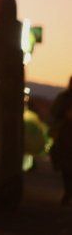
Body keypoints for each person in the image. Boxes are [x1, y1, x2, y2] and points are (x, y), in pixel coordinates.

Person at [51, 75, 72, 206]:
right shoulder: (64, 98)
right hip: (65, 137)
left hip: (65, 137)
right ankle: (68, 192)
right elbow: (54, 112)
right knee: (66, 168)